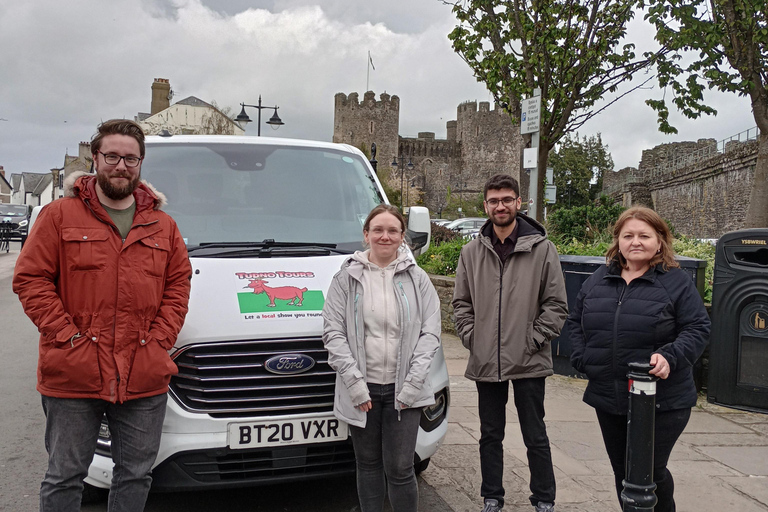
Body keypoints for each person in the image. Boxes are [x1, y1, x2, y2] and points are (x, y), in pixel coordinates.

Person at [13, 119, 192, 512]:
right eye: (112, 156)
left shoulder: (164, 225)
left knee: (136, 474)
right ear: (95, 159)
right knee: (64, 477)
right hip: (75, 370)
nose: (121, 166)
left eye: (131, 158)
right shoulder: (59, 216)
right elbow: (31, 279)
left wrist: (159, 341)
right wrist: (67, 337)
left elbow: (178, 287)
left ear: (141, 163)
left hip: (142, 371)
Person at [568, 206, 710, 512]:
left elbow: (698, 327)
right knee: (623, 473)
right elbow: (573, 322)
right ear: (617, 240)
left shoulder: (676, 282)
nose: (636, 241)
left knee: (651, 472)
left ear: (659, 241)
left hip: (663, 400)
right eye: (628, 235)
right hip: (610, 397)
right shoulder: (598, 280)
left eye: (644, 235)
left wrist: (670, 357)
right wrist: (583, 359)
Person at [452, 174, 568, 512]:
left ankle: (544, 498)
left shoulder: (542, 248)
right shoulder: (471, 252)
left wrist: (534, 338)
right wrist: (472, 337)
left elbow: (557, 303)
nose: (500, 206)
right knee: (490, 433)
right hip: (486, 358)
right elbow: (461, 303)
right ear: (485, 205)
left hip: (528, 357)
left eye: (506, 199)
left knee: (535, 433)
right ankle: (492, 496)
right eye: (493, 201)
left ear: (519, 203)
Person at [322, 204, 441, 512]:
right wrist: (355, 384)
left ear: (402, 237)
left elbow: (430, 334)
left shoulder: (419, 280)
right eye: (378, 230)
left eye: (392, 231)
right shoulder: (345, 279)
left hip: (406, 390)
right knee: (368, 464)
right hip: (363, 389)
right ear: (366, 235)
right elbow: (334, 334)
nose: (384, 236)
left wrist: (413, 385)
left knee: (401, 468)